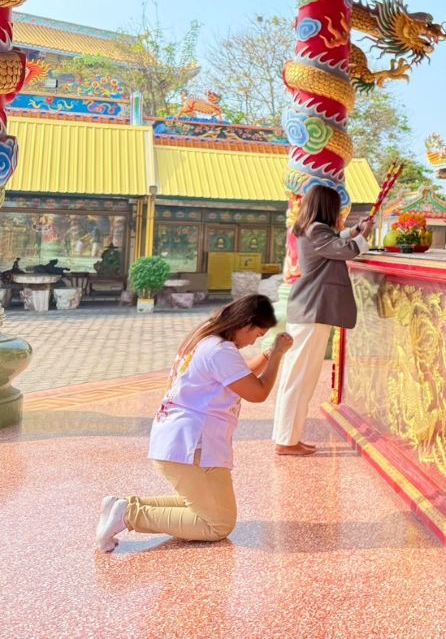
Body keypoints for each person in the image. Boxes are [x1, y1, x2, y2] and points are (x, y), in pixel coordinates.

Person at [95, 294, 292, 552]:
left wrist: (267, 354)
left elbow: (239, 376)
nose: (254, 341)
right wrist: (277, 355)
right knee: (217, 524)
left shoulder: (206, 337)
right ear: (246, 324)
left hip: (177, 438)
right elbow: (258, 392)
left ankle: (121, 505)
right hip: (194, 445)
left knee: (204, 508)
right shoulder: (220, 350)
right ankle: (129, 515)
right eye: (257, 334)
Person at [273, 184, 371, 456]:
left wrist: (355, 230)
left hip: (309, 311)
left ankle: (288, 437)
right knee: (300, 378)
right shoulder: (317, 230)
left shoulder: (312, 229)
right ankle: (286, 441)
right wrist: (363, 236)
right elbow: (345, 249)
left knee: (298, 377)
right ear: (328, 207)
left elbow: (336, 240)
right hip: (311, 311)